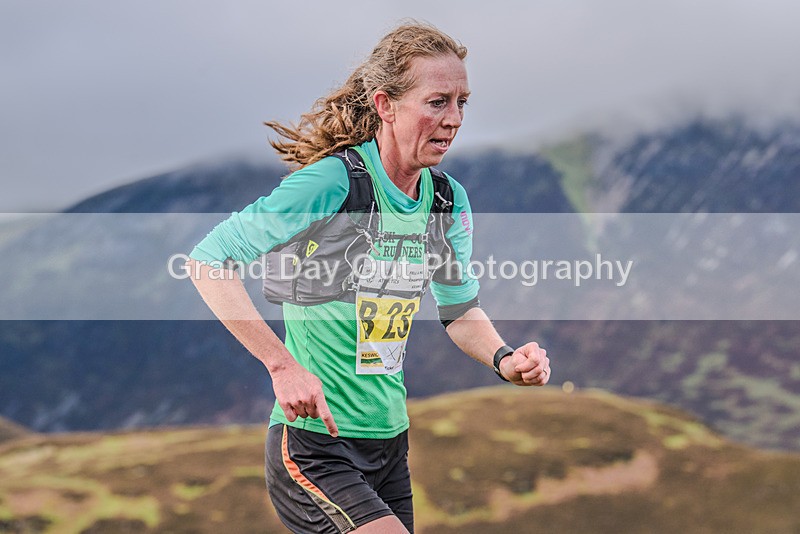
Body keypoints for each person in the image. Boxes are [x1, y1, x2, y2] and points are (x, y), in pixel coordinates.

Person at [186, 22, 550, 534]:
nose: (455, 119)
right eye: (438, 102)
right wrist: (282, 366)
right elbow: (209, 261)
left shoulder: (446, 200)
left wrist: (505, 358)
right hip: (315, 444)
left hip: (390, 443)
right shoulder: (334, 182)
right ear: (385, 104)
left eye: (463, 102)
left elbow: (460, 310)